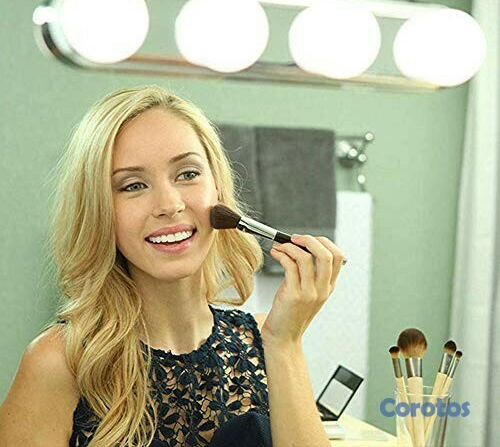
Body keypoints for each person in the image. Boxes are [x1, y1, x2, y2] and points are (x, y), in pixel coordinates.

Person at [0, 85, 345, 446]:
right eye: (133, 185)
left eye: (187, 174)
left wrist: (285, 343)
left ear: (218, 189)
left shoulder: (266, 341)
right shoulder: (57, 363)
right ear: (100, 209)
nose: (169, 204)